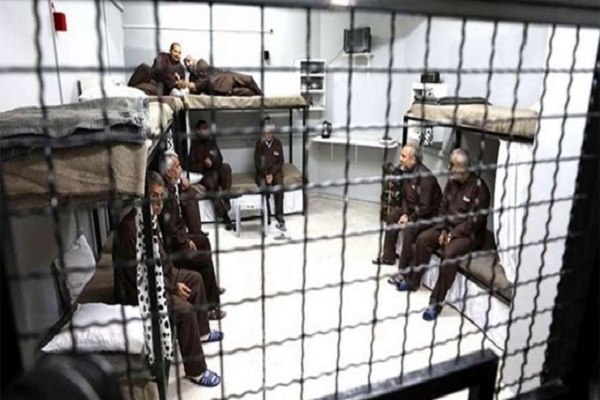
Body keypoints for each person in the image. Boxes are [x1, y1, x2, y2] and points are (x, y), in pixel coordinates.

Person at [113, 171, 223, 387]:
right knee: (185, 311)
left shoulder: (147, 218)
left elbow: (158, 257)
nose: (159, 202)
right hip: (142, 291)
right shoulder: (130, 229)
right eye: (153, 196)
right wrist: (172, 287)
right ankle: (196, 371)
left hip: (161, 276)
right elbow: (139, 277)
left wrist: (173, 277)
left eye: (160, 196)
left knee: (195, 279)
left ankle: (202, 332)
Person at [399, 148, 491, 321]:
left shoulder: (480, 190)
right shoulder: (452, 181)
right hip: (448, 228)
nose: (448, 168)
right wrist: (442, 229)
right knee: (423, 240)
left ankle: (435, 303)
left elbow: (473, 223)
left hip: (468, 235)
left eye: (452, 165)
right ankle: (413, 281)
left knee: (449, 254)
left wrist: (452, 234)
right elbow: (443, 207)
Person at [159, 151, 226, 320]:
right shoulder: (164, 196)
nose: (181, 169)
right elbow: (171, 232)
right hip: (173, 249)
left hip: (179, 240)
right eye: (177, 166)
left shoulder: (171, 188)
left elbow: (177, 226)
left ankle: (211, 288)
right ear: (168, 172)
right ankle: (211, 309)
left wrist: (188, 239)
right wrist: (186, 243)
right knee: (203, 259)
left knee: (203, 241)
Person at [372, 144, 442, 282]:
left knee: (409, 228)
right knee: (393, 215)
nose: (400, 159)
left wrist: (409, 218)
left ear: (413, 159)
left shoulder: (426, 179)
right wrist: (404, 213)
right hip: (412, 211)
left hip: (428, 217)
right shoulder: (406, 172)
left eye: (403, 156)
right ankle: (388, 257)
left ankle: (403, 273)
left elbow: (425, 208)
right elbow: (404, 198)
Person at [188, 120, 234, 230]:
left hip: (216, 169)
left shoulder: (211, 142)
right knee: (211, 184)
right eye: (203, 129)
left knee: (226, 167)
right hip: (205, 174)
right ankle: (224, 215)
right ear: (198, 131)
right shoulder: (194, 145)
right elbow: (191, 166)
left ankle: (226, 197)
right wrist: (204, 165)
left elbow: (220, 158)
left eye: (206, 128)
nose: (205, 131)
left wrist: (212, 162)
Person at [254, 117, 286, 231]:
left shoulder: (278, 143)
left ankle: (279, 214)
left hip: (275, 172)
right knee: (264, 189)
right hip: (263, 173)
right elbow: (257, 162)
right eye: (265, 133)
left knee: (280, 186)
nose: (267, 135)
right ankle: (266, 215)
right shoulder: (259, 144)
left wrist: (272, 174)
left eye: (269, 133)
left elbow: (280, 161)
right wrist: (266, 174)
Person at [183, 55, 263, 96]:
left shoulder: (201, 64)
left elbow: (207, 78)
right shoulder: (192, 78)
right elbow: (195, 91)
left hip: (227, 78)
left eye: (188, 61)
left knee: (248, 79)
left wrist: (195, 85)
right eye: (185, 63)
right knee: (249, 93)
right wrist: (189, 87)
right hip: (222, 91)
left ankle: (262, 95)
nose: (187, 64)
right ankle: (260, 97)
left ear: (194, 60)